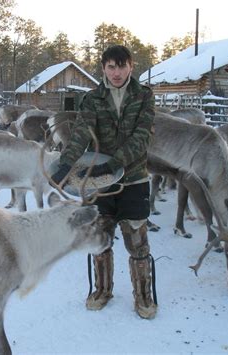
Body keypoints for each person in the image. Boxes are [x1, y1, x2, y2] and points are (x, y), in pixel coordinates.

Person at [51, 45, 157, 319]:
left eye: (122, 66)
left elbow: (142, 137)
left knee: (137, 241)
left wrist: (114, 163)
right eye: (111, 66)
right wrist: (66, 164)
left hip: (133, 178)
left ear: (131, 67)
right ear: (103, 68)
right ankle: (102, 289)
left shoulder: (144, 96)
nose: (117, 72)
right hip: (98, 181)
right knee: (99, 237)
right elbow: (81, 135)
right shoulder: (92, 99)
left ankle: (143, 295)